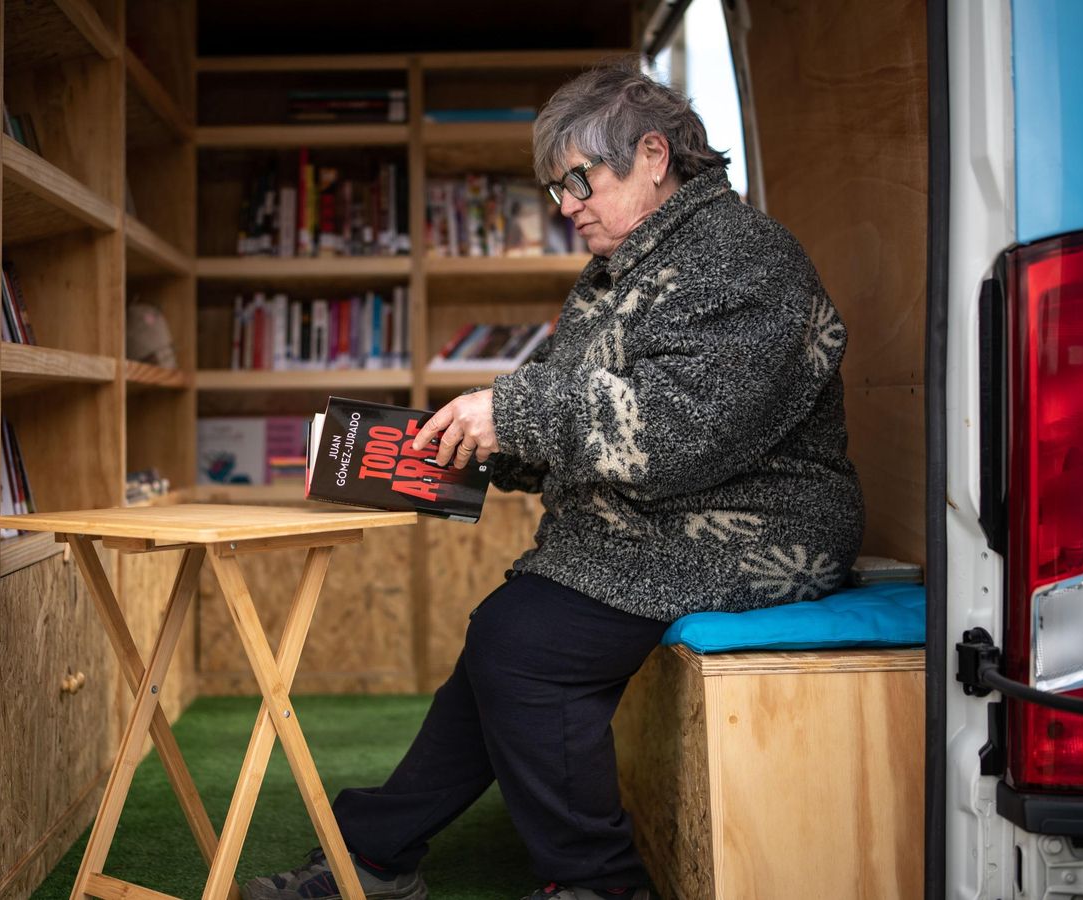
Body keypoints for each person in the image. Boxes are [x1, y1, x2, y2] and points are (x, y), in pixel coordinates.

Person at [242, 59, 864, 900]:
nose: (566, 207)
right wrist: (471, 448)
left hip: (764, 523)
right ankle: (377, 857)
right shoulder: (622, 268)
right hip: (660, 515)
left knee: (520, 645)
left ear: (653, 155)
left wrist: (518, 416)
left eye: (580, 181)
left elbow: (680, 431)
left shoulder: (743, 256)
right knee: (507, 641)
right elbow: (578, 409)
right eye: (556, 189)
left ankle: (596, 884)